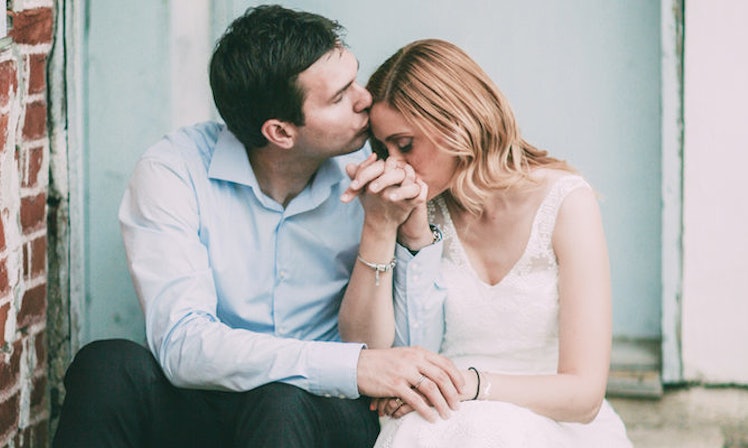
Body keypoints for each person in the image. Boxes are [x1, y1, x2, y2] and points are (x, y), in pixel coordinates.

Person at [52, 8, 465, 448]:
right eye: (339, 97)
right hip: (209, 403)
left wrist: (409, 232)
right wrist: (350, 365)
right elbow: (182, 344)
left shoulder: (377, 170)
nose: (366, 100)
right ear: (281, 132)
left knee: (281, 402)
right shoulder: (174, 170)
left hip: (323, 413)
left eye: (354, 80)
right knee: (106, 365)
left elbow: (411, 358)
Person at [340, 38, 633, 447]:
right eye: (384, 149)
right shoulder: (416, 209)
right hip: (438, 420)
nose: (395, 164)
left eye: (405, 145)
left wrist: (470, 385)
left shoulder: (566, 203)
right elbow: (368, 350)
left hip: (548, 421)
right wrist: (383, 227)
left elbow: (584, 396)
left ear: (456, 123)